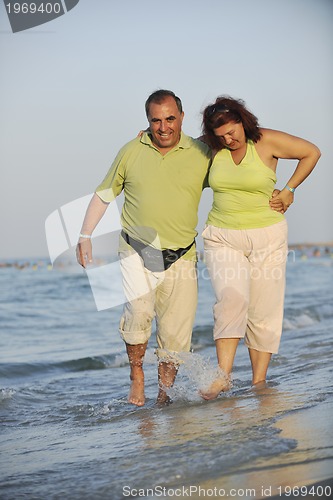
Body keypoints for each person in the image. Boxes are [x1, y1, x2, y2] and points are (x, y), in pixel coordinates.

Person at [76, 90, 211, 406]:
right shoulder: (131, 151)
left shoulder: (201, 152)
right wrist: (84, 235)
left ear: (181, 117)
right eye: (155, 120)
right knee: (138, 314)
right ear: (147, 121)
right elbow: (104, 194)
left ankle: (164, 395)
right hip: (137, 249)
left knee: (176, 336)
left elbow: (231, 180)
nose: (163, 127)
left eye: (169, 119)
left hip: (182, 254)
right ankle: (137, 374)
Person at [199, 95, 321, 399]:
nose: (229, 140)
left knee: (264, 310)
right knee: (231, 300)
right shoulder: (209, 147)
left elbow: (311, 152)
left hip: (268, 234)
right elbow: (174, 150)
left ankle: (258, 382)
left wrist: (290, 189)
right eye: (221, 136)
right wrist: (146, 136)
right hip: (222, 236)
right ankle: (223, 377)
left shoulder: (265, 141)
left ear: (242, 121)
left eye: (232, 132)